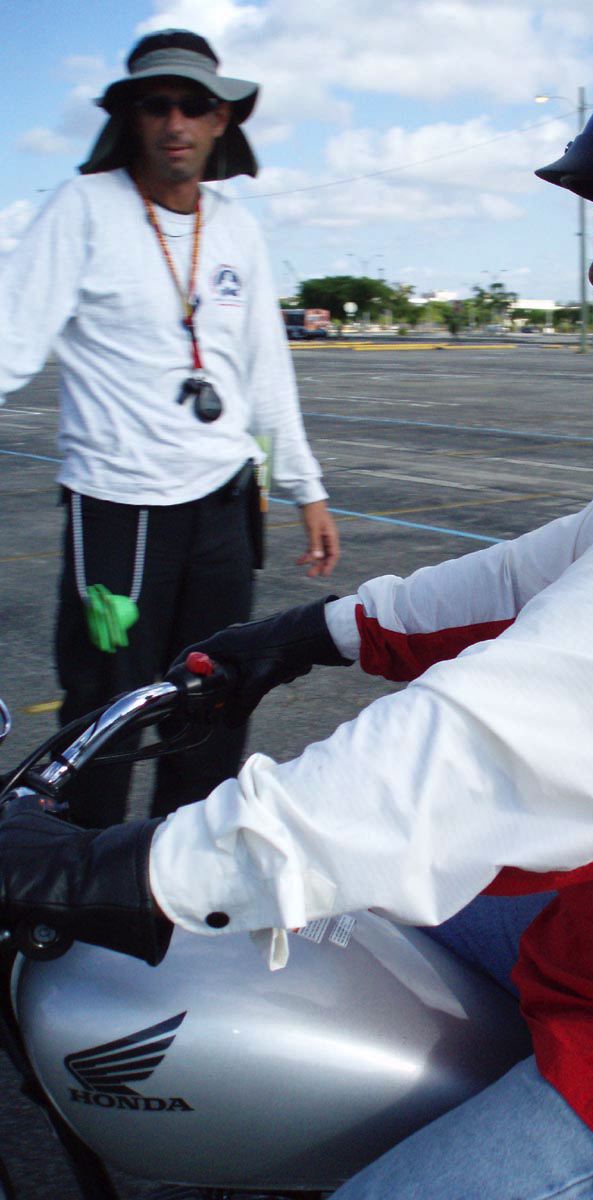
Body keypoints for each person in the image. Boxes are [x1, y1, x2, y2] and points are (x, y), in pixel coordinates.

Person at [2, 31, 593, 1200]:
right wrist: (313, 634)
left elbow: (487, 757)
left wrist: (142, 868)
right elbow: (542, 575)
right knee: (348, 919)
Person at [0, 29, 339, 827]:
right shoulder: (83, 209)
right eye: (157, 105)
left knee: (214, 702)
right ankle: (79, 881)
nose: (176, 121)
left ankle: (182, 875)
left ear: (223, 119)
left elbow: (264, 370)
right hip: (119, 509)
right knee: (104, 713)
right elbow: (9, 339)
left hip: (224, 506)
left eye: (195, 105)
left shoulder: (235, 227)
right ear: (132, 118)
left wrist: (307, 489)